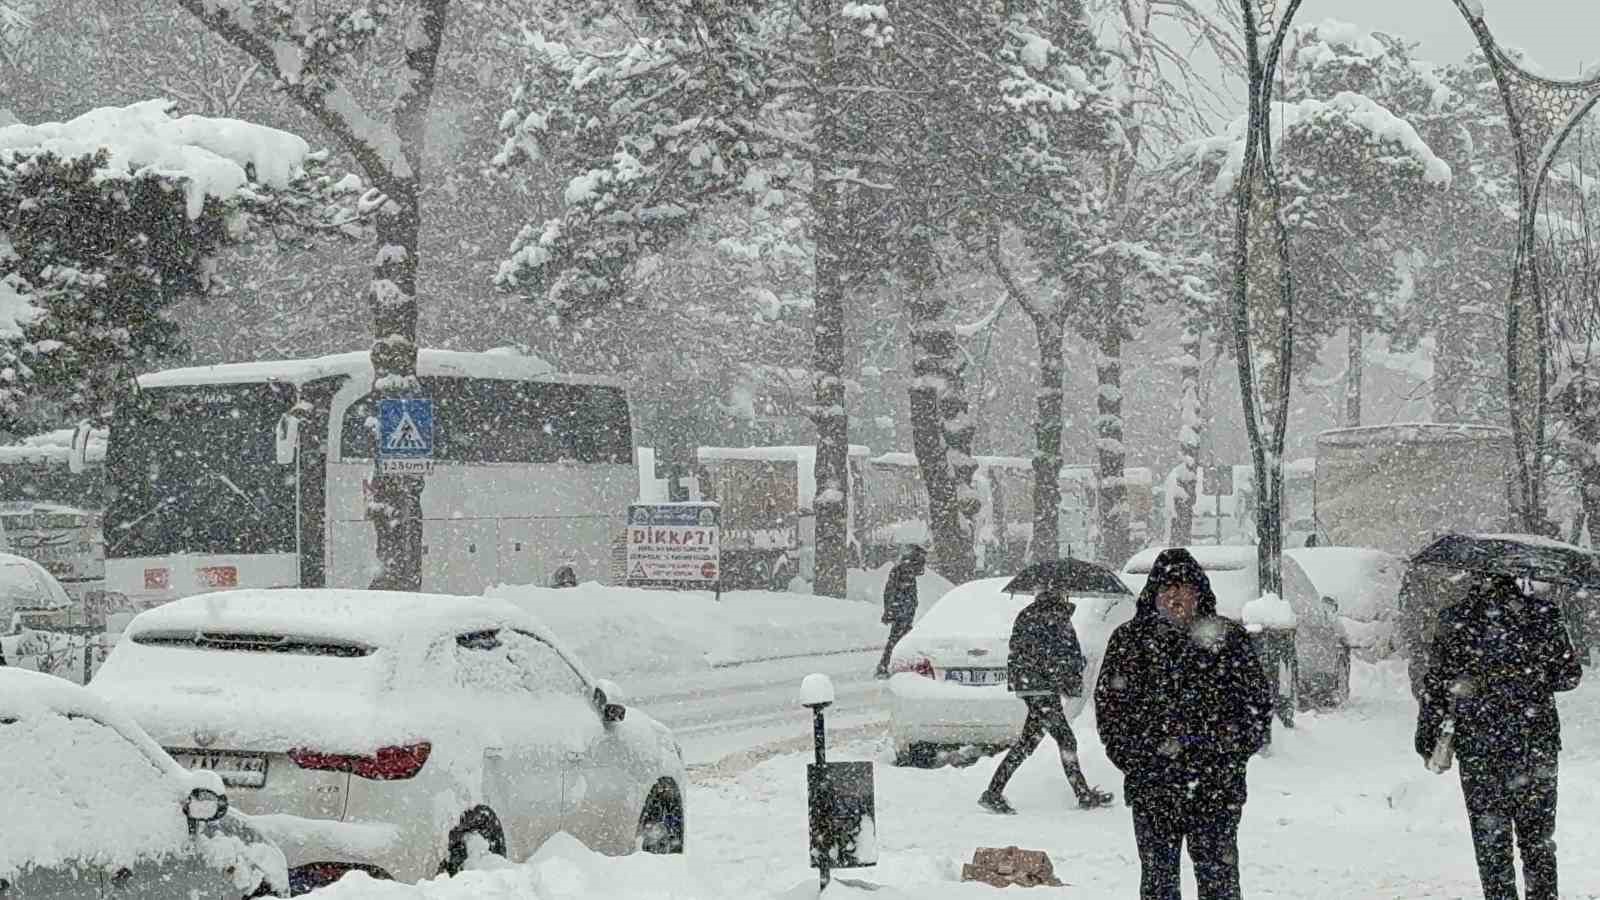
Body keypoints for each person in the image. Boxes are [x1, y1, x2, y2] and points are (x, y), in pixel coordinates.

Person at [1094, 547, 1274, 900]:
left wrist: (1228, 755)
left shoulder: (1228, 639)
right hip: (1154, 789)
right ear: (1154, 593)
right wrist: (1137, 761)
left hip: (1215, 789)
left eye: (1184, 587)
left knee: (1219, 882)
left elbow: (1256, 706)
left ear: (1199, 593)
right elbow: (1110, 711)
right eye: (1167, 588)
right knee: (1158, 883)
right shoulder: (1130, 642)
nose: (1175, 596)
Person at [1414, 572, 1582, 900]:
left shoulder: (1456, 619)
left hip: (1479, 744)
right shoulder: (1543, 616)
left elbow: (1435, 683)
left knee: (1491, 840)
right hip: (1535, 744)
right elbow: (1569, 675)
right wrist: (1531, 675)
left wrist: (1427, 734)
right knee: (1538, 841)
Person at [978, 575, 1114, 814]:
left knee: (1028, 743)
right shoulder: (1055, 616)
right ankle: (1082, 794)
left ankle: (994, 791)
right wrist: (1068, 678)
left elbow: (1021, 652)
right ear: (1057, 593)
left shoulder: (1029, 615)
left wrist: (1028, 682)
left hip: (1034, 687)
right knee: (1066, 740)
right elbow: (1063, 655)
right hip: (1043, 688)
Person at [875, 545, 926, 678]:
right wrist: (890, 611)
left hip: (904, 610)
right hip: (902, 611)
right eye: (921, 561)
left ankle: (890, 665)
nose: (922, 566)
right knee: (898, 639)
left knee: (899, 639)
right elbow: (891, 591)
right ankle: (885, 666)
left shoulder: (904, 569)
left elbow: (891, 591)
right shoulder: (904, 570)